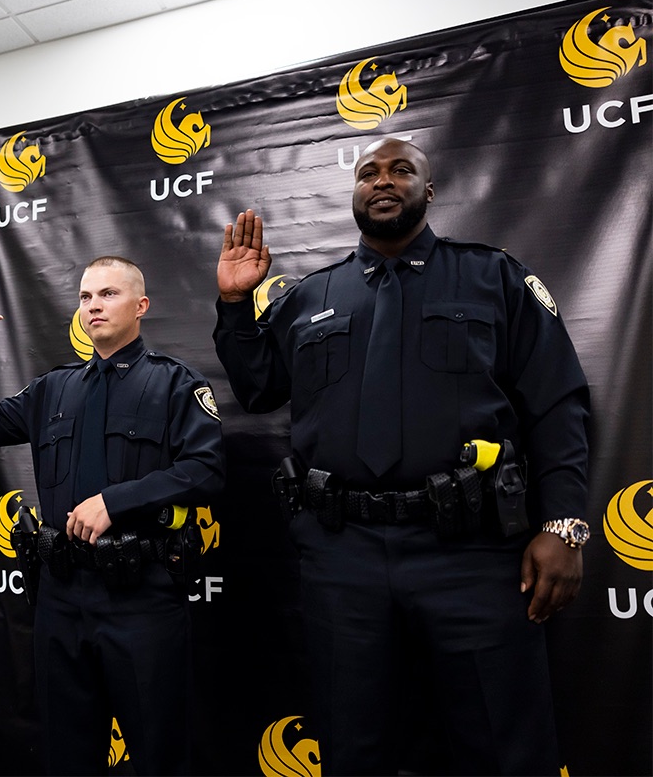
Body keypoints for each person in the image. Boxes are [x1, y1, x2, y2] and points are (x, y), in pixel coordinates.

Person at [213, 138, 590, 776]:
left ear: (428, 190)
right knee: (352, 746)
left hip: (470, 552)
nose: (383, 181)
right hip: (342, 554)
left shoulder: (491, 275)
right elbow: (256, 388)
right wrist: (234, 305)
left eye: (401, 170)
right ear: (354, 192)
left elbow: (557, 403)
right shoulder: (309, 297)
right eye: (368, 173)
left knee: (504, 744)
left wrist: (563, 524)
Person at [0, 256, 224, 775]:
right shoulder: (54, 388)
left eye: (107, 294)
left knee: (156, 750)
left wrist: (116, 502)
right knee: (67, 753)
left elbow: (206, 470)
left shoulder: (175, 384)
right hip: (62, 595)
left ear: (141, 306)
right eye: (84, 297)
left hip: (141, 594)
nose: (93, 306)